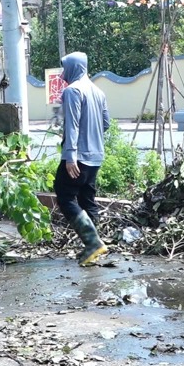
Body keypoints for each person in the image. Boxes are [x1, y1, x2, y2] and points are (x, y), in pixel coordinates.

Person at [53, 51, 111, 266]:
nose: (61, 75)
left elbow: (73, 125)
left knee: (65, 195)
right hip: (96, 156)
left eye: (64, 68)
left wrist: (70, 156)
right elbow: (106, 124)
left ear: (74, 67)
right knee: (87, 199)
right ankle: (95, 247)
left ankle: (92, 243)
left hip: (79, 156)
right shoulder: (98, 91)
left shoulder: (73, 91)